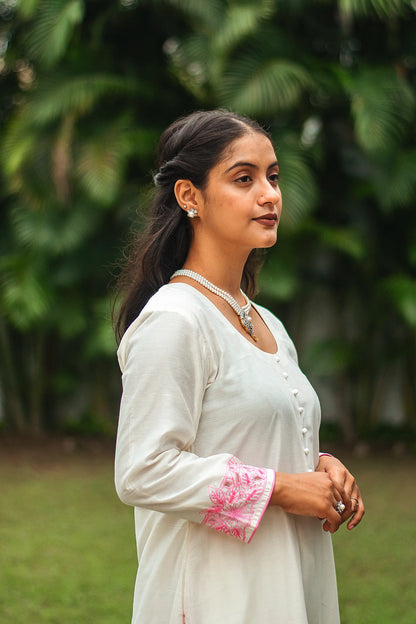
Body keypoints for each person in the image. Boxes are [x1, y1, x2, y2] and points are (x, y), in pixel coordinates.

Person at [113, 109, 364, 624]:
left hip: (288, 580)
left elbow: (241, 431)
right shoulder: (175, 319)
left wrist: (316, 464)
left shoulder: (264, 319)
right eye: (243, 178)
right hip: (213, 596)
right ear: (190, 197)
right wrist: (282, 487)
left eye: (273, 176)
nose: (270, 194)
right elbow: (141, 470)